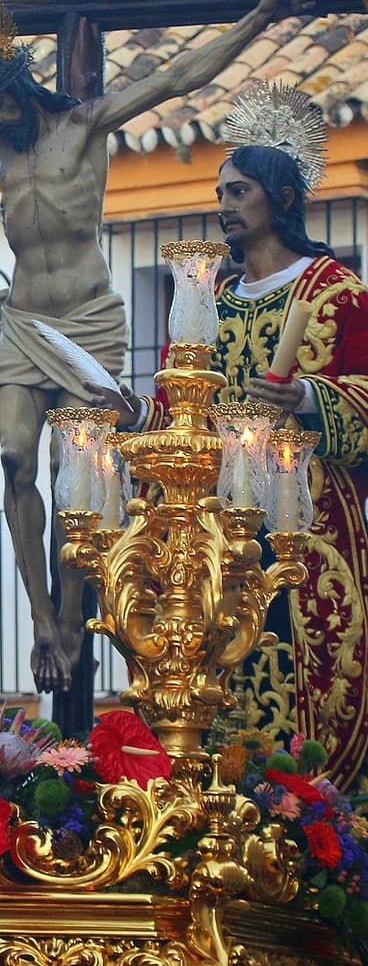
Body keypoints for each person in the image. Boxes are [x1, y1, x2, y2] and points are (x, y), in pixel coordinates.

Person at [0, 0, 319, 693]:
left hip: (88, 318)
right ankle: (42, 619)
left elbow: (179, 76)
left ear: (25, 92)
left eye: (1, 106)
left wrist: (262, 15)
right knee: (17, 458)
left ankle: (77, 612)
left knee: (78, 474)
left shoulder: (84, 124)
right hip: (24, 323)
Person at [105, 81, 368, 789]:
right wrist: (135, 416)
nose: (223, 204)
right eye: (220, 191)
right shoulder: (208, 304)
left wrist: (309, 397)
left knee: (297, 669)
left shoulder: (334, 291)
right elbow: (179, 416)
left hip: (304, 526)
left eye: (239, 191)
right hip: (215, 531)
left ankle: (306, 809)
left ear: (281, 198)